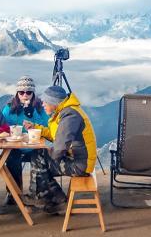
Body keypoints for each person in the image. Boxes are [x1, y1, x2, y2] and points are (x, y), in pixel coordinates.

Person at [22, 85, 97, 214]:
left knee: (39, 158)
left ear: (54, 103)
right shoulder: (65, 112)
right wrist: (35, 127)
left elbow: (59, 148)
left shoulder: (70, 116)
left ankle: (41, 196)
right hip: (78, 159)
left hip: (80, 165)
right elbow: (56, 135)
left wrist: (48, 153)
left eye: (45, 101)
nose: (43, 104)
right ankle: (55, 198)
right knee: (41, 158)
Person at [1, 76, 50, 206]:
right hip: (16, 145)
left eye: (28, 92)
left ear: (33, 93)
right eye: (21, 92)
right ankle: (14, 193)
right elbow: (4, 127)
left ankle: (37, 194)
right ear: (17, 93)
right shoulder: (9, 108)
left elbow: (47, 125)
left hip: (34, 144)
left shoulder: (40, 107)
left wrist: (32, 115)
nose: (25, 95)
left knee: (39, 157)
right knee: (11, 158)